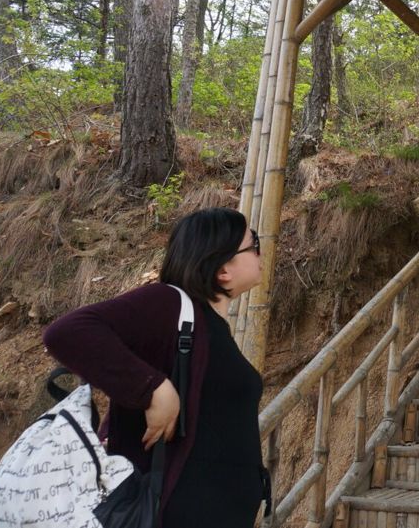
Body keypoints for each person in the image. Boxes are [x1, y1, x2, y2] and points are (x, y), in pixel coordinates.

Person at [43, 207, 268, 528]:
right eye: (253, 243)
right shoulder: (169, 304)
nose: (261, 252)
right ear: (223, 269)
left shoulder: (210, 326)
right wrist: (152, 389)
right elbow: (67, 333)